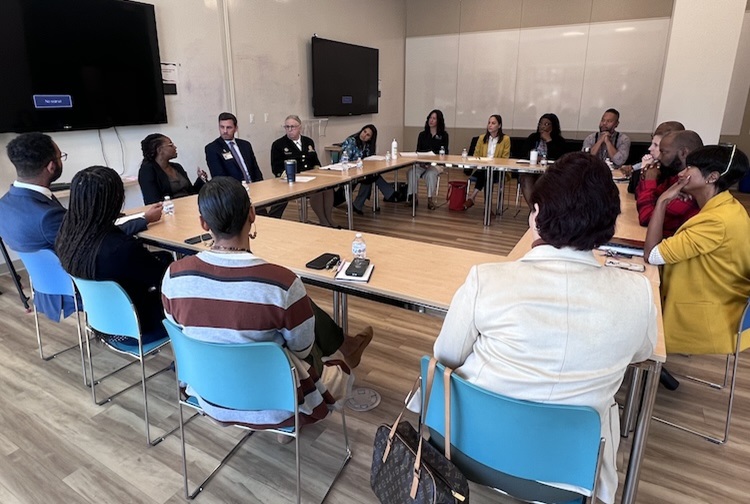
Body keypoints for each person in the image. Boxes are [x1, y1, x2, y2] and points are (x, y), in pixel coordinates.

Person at [434, 152, 656, 504]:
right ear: (608, 224)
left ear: (536, 215)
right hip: (570, 474)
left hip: (469, 449)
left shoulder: (487, 279)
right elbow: (642, 354)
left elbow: (445, 356)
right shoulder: (638, 292)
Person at [160, 177, 373, 432]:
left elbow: (181, 336)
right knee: (296, 325)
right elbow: (303, 350)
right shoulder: (281, 283)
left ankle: (347, 345)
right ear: (252, 214)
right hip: (277, 404)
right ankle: (346, 348)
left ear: (204, 224)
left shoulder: (174, 275)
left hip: (207, 394)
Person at [0, 133, 160, 321]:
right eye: (61, 157)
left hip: (45, 284)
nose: (62, 161)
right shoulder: (47, 216)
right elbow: (97, 242)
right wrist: (143, 219)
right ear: (51, 166)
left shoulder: (5, 204)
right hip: (85, 286)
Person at [644, 145, 750, 388]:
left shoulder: (716, 221)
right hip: (723, 301)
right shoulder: (727, 208)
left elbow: (652, 255)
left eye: (690, 167)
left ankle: (642, 381)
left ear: (712, 177)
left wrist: (661, 203)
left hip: (709, 312)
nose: (683, 173)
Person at [55, 166, 171, 341]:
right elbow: (163, 279)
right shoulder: (120, 249)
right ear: (115, 200)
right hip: (137, 327)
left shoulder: (67, 236)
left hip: (101, 323)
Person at [205, 112, 283, 218]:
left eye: (229, 127)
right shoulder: (213, 148)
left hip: (254, 190)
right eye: (222, 127)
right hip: (234, 194)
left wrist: (260, 187)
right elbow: (219, 177)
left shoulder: (245, 145)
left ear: (236, 128)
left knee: (273, 208)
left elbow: (255, 169)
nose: (225, 131)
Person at [271, 115, 338, 227]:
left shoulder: (308, 141)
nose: (290, 130)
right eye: (287, 127)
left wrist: (318, 172)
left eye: (293, 126)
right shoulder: (279, 144)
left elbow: (315, 162)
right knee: (316, 189)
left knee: (328, 187)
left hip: (311, 176)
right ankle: (323, 220)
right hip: (293, 180)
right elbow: (276, 168)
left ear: (300, 127)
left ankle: (329, 218)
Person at [636, 130, 703, 237]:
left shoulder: (691, 185)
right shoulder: (675, 177)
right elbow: (651, 197)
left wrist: (649, 181)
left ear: (683, 153)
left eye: (664, 152)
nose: (660, 157)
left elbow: (646, 218)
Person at [340, 124, 395, 215]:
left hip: (361, 171)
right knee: (371, 177)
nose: (364, 135)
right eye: (364, 131)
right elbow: (345, 160)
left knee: (371, 176)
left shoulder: (367, 145)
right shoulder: (352, 141)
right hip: (348, 171)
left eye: (368, 135)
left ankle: (358, 205)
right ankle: (390, 194)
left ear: (370, 138)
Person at [138, 133, 207, 205]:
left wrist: (201, 179)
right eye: (171, 145)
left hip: (190, 205)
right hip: (170, 212)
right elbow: (152, 202)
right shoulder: (147, 171)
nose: (175, 147)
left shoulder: (177, 167)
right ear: (160, 150)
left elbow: (191, 192)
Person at [622, 121, 684, 193]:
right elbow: (632, 189)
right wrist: (643, 170)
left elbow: (647, 197)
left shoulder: (674, 173)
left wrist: (645, 172)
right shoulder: (657, 164)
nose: (650, 148)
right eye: (652, 143)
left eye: (656, 145)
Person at [519, 113, 566, 208]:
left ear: (553, 126)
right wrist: (534, 157)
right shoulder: (533, 137)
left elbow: (559, 158)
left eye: (547, 124)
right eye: (541, 124)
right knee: (524, 178)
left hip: (550, 173)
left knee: (544, 179)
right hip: (532, 171)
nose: (543, 127)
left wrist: (549, 140)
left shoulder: (559, 141)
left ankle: (543, 209)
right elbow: (523, 153)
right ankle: (535, 210)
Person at [405, 109, 449, 210]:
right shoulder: (422, 135)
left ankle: (430, 199)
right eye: (430, 118)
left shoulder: (444, 135)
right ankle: (413, 198)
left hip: (436, 164)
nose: (431, 120)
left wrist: (432, 162)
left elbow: (444, 153)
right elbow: (418, 151)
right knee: (412, 171)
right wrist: (421, 162)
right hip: (422, 163)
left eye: (434, 118)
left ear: (439, 121)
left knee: (431, 173)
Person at [465, 114, 510, 210]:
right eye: (489, 123)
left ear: (499, 126)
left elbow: (505, 158)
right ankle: (487, 207)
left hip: (498, 170)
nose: (490, 125)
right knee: (486, 174)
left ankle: (473, 197)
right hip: (483, 168)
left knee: (488, 175)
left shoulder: (505, 139)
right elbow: (476, 155)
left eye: (493, 123)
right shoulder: (482, 138)